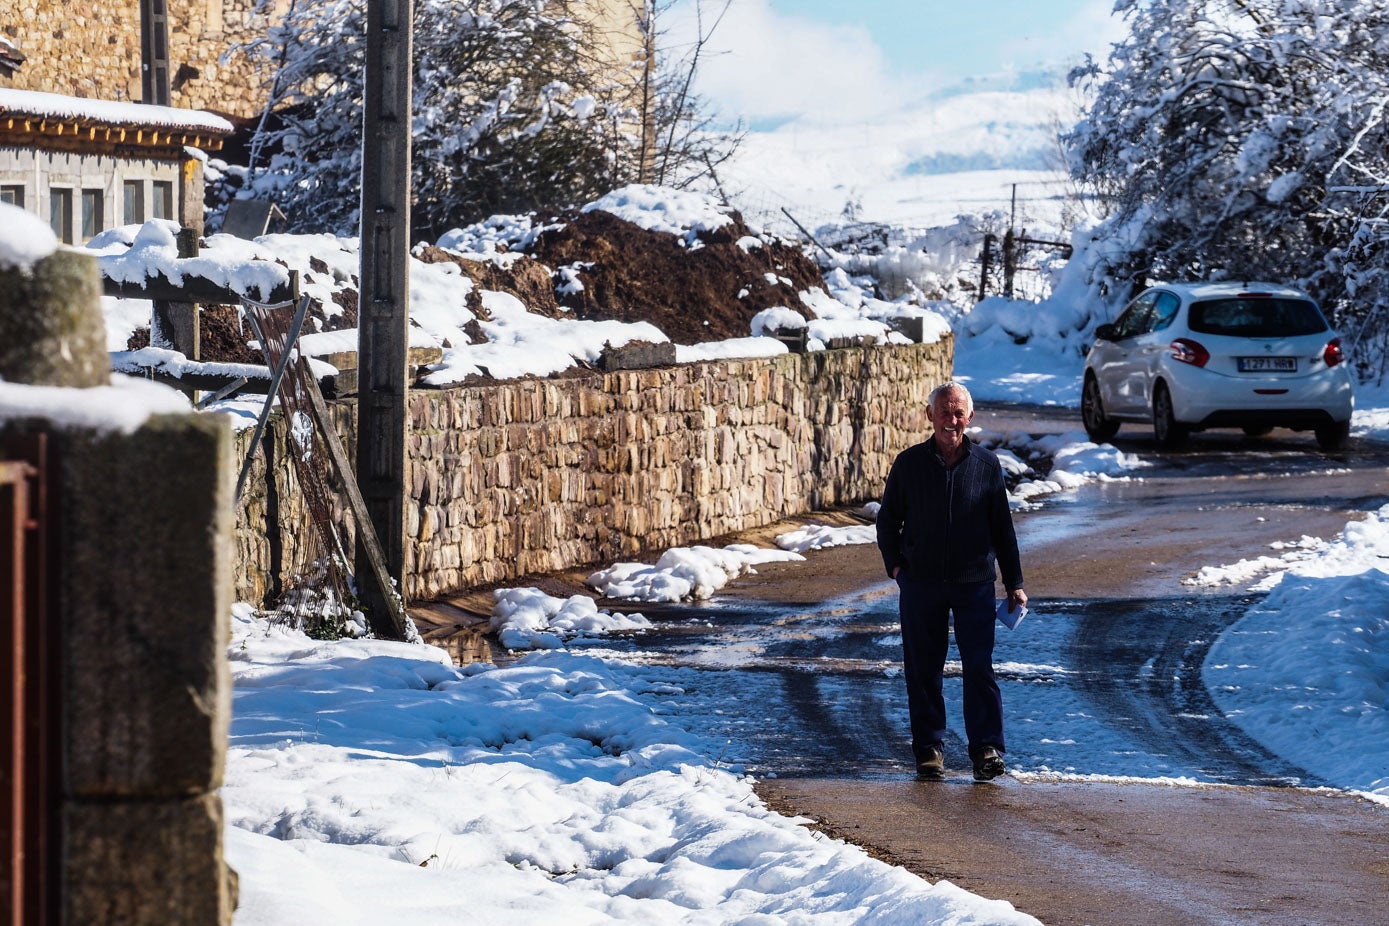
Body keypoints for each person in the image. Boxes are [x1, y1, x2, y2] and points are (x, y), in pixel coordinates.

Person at [875, 381, 1027, 782]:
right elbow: (887, 522)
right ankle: (929, 749)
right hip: (921, 583)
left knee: (979, 667)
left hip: (974, 584)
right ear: (930, 415)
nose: (951, 420)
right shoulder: (908, 464)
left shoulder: (987, 466)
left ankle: (987, 749)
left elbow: (1003, 528)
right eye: (944, 411)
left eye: (958, 413)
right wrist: (897, 569)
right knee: (923, 669)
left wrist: (1014, 581)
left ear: (970, 417)